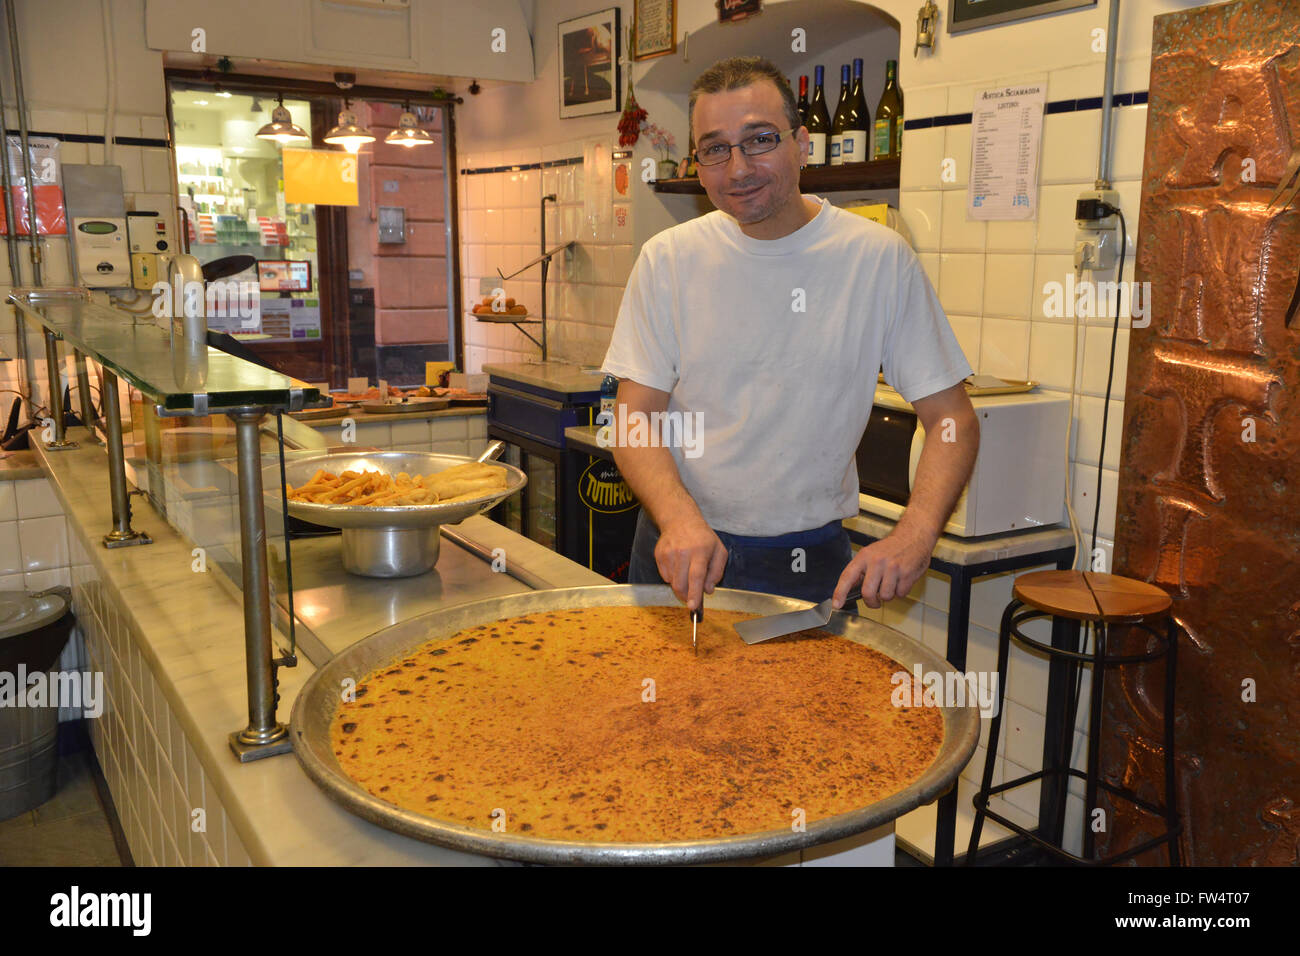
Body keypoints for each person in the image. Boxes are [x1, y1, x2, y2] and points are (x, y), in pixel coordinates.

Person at [601, 56, 979, 616]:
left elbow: (954, 420)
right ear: (699, 165)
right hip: (683, 552)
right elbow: (633, 416)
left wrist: (916, 534)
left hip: (812, 562)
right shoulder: (669, 260)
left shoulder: (876, 260)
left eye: (760, 140)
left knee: (817, 708)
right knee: (665, 706)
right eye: (715, 149)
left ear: (802, 144)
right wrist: (679, 520)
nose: (738, 169)